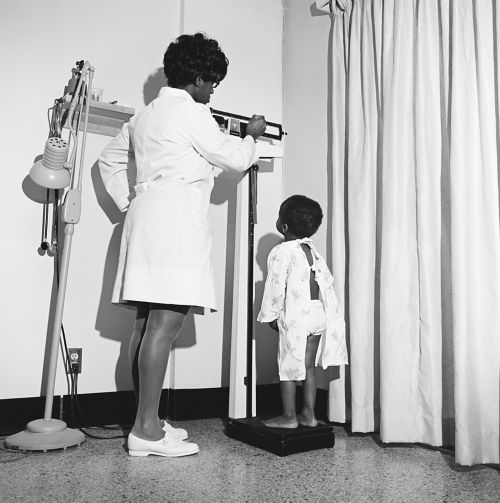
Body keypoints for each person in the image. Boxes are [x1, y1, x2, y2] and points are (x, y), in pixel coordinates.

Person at [99, 32, 266, 457]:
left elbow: (107, 161)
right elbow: (235, 158)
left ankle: (148, 420)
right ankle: (145, 432)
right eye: (211, 83)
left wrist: (129, 201)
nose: (212, 92)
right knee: (164, 325)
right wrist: (252, 135)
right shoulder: (193, 114)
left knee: (143, 325)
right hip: (174, 220)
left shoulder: (143, 117)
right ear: (195, 78)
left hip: (146, 216)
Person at [257, 195, 348, 429]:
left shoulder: (282, 251)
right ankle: (309, 415)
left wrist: (271, 315)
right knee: (308, 366)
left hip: (297, 315)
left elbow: (275, 285)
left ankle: (289, 417)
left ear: (283, 226)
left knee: (288, 365)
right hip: (319, 312)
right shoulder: (311, 249)